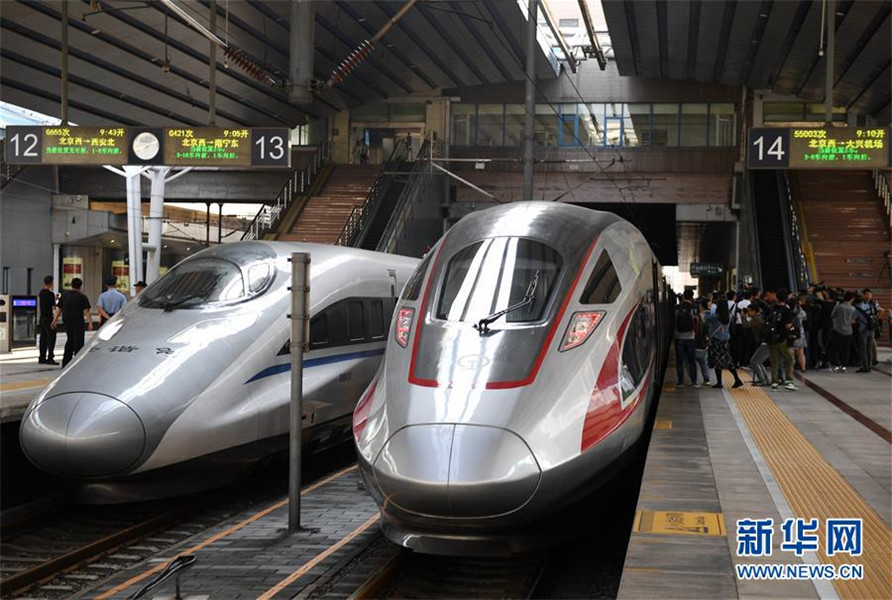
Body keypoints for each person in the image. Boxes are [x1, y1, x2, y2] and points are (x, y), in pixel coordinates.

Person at [705, 297, 744, 389]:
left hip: (716, 340)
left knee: (716, 361)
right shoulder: (728, 316)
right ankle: (737, 379)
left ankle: (719, 382)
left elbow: (707, 319)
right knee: (727, 360)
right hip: (725, 341)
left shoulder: (715, 316)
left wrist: (708, 309)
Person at [52, 277, 92, 367]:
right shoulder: (82, 297)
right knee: (79, 341)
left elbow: (59, 309)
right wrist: (90, 322)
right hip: (78, 321)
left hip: (67, 321)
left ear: (71, 285)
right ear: (80, 286)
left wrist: (54, 320)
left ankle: (66, 362)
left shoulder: (64, 295)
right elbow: (86, 311)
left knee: (70, 339)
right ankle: (77, 362)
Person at [765, 288, 797, 390]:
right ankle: (789, 381)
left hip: (772, 339)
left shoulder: (772, 308)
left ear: (777, 298)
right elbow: (788, 325)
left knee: (775, 362)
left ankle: (774, 382)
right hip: (783, 339)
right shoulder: (787, 310)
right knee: (790, 359)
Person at [673, 289, 698, 387]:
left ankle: (680, 382)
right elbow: (696, 321)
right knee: (692, 361)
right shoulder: (694, 308)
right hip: (690, 337)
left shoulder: (676, 307)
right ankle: (694, 382)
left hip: (678, 337)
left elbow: (674, 321)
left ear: (683, 296)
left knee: (679, 360)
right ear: (692, 297)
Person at [742, 303, 771, 385]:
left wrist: (742, 316)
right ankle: (766, 380)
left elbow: (745, 326)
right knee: (758, 361)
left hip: (765, 343)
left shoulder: (757, 319)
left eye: (749, 311)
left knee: (754, 361)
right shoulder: (759, 317)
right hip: (766, 342)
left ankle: (763, 380)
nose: (748, 313)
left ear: (754, 311)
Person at [829, 291, 856, 373]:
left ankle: (836, 365)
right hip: (848, 331)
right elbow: (853, 320)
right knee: (846, 349)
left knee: (836, 349)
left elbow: (832, 316)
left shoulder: (839, 307)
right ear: (851, 299)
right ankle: (844, 366)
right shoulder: (853, 309)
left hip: (838, 330)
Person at [854, 290, 877, 373]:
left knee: (863, 349)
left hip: (863, 330)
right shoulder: (872, 305)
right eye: (868, 295)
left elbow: (854, 318)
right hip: (871, 329)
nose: (869, 296)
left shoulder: (860, 306)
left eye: (869, 295)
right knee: (869, 349)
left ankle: (865, 367)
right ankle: (869, 367)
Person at [37, 275, 58, 365]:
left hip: (42, 318)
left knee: (43, 338)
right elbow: (53, 307)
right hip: (49, 318)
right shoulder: (50, 294)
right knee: (51, 338)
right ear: (51, 283)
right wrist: (56, 300)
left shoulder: (41, 292)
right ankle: (50, 357)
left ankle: (42, 357)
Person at [693, 298, 712, 387]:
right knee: (704, 362)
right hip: (706, 341)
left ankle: (695, 380)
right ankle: (706, 379)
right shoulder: (711, 315)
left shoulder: (698, 316)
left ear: (701, 306)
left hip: (698, 340)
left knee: (694, 361)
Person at [791, 294, 808, 372]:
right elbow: (805, 319)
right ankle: (803, 368)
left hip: (792, 331)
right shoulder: (802, 311)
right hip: (800, 332)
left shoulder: (791, 310)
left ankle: (791, 367)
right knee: (801, 352)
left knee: (791, 352)